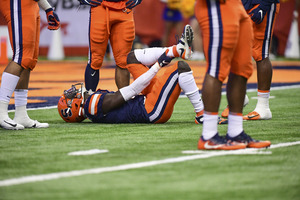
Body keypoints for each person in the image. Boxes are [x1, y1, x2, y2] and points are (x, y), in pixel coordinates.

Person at [58, 25, 205, 124]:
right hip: (150, 109)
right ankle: (201, 115)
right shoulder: (91, 105)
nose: (73, 92)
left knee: (131, 58)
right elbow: (132, 90)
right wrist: (158, 65)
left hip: (145, 101)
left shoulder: (92, 106)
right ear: (74, 107)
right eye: (70, 96)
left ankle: (177, 50)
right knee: (181, 67)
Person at [195, 0, 271, 150]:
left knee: (242, 68)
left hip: (237, 5)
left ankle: (235, 132)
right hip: (217, 5)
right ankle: (208, 135)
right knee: (217, 69)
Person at [0, 0, 60, 130]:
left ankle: (21, 114)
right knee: (21, 56)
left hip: (31, 3)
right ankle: (1, 112)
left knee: (29, 60)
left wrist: (48, 8)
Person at [221, 0, 280, 120]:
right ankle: (240, 97)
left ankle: (263, 107)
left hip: (260, 3)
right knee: (234, 51)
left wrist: (264, 6)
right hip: (242, 5)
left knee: (260, 53)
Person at [77, 0, 143, 92]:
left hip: (124, 8)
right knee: (95, 60)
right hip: (100, 7)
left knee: (123, 61)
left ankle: (123, 100)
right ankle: (89, 99)